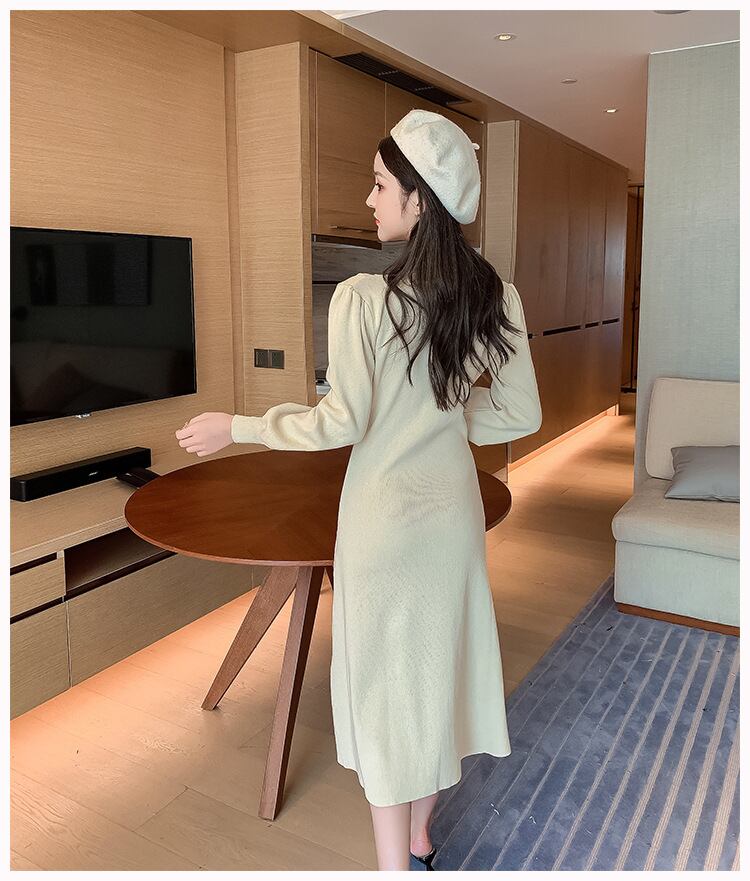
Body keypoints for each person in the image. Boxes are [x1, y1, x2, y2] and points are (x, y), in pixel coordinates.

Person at [175, 108, 543, 871]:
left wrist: (237, 425)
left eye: (379, 185)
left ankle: (392, 866)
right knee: (438, 674)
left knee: (386, 692)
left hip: (383, 526)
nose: (370, 200)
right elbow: (520, 413)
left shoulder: (363, 299)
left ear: (420, 198)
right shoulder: (495, 296)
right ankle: (419, 836)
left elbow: (338, 422)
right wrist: (448, 414)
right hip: (451, 521)